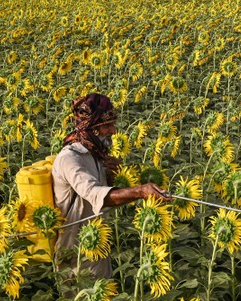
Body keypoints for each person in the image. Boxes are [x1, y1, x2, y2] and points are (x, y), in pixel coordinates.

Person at [52, 93, 167, 280]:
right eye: (107, 126)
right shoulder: (70, 159)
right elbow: (95, 194)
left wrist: (111, 176)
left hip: (96, 241)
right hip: (76, 251)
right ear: (91, 128)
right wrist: (140, 191)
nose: (113, 131)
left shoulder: (95, 153)